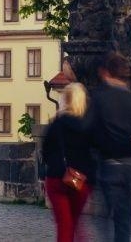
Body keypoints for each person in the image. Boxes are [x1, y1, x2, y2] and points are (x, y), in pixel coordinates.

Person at [88, 52, 131, 241]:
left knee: (104, 219)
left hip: (109, 166)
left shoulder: (98, 99)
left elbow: (91, 134)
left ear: (105, 72)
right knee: (124, 223)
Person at [43, 82, 95, 242]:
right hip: (81, 181)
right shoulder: (88, 126)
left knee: (65, 226)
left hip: (57, 179)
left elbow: (46, 153)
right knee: (76, 223)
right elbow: (93, 154)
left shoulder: (56, 124)